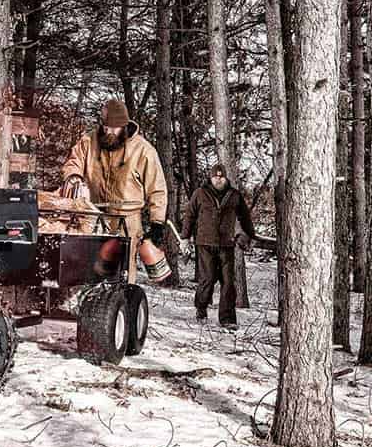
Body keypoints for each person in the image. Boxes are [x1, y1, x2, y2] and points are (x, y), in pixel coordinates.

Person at [60, 99, 174, 282]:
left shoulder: (143, 150)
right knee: (89, 269)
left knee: (123, 272)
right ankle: (91, 297)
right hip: (93, 216)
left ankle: (122, 297)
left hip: (127, 220)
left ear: (124, 126)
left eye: (114, 128)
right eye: (106, 127)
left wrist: (157, 223)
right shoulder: (89, 141)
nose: (109, 132)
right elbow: (74, 162)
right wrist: (74, 176)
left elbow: (158, 189)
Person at [181, 164, 255, 329]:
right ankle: (201, 308)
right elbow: (189, 216)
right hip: (205, 243)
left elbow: (245, 217)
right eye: (215, 177)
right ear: (211, 177)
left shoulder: (234, 195)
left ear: (226, 178)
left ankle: (227, 319)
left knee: (228, 282)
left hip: (226, 244)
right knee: (207, 279)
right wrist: (185, 237)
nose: (218, 179)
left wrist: (251, 235)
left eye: (221, 177)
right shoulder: (200, 193)